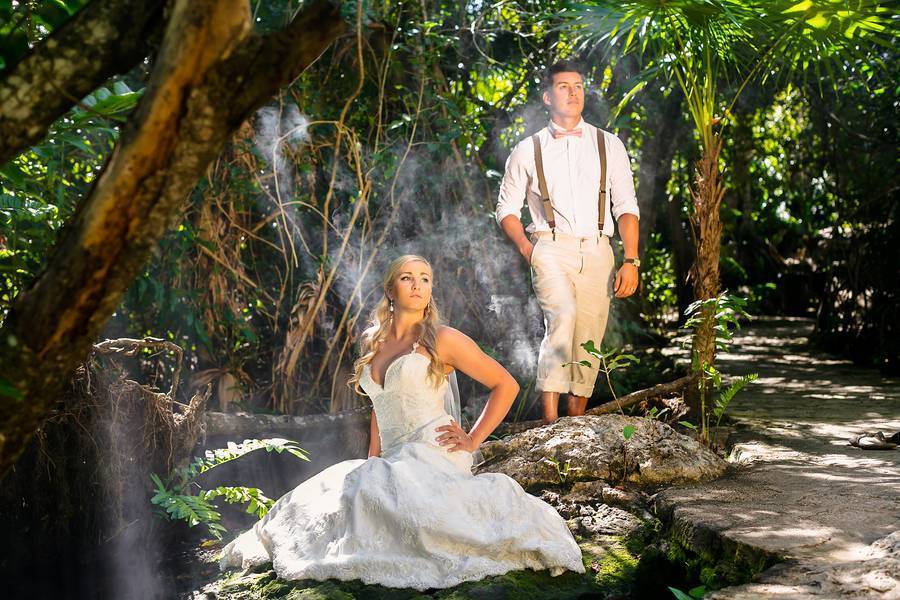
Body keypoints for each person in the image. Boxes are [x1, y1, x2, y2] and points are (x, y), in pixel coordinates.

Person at [220, 255, 584, 590]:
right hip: (393, 456)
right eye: (407, 278)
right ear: (389, 290)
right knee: (334, 495)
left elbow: (506, 384)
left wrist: (472, 440)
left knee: (411, 517)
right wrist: (372, 457)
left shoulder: (442, 338)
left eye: (425, 279)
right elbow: (381, 405)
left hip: (432, 450)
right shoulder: (373, 341)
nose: (417, 285)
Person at [496, 60, 641, 424]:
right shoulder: (527, 150)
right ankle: (549, 423)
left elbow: (626, 206)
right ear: (547, 96)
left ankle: (576, 420)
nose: (574, 92)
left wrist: (632, 259)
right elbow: (506, 210)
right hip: (549, 245)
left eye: (578, 85)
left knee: (590, 331)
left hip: (597, 248)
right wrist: (530, 250)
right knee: (563, 319)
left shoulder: (610, 145)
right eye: (564, 86)